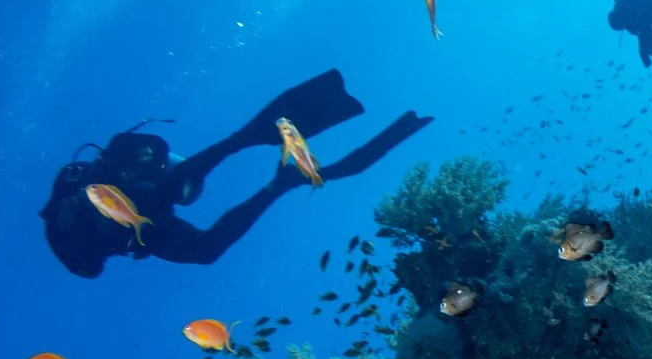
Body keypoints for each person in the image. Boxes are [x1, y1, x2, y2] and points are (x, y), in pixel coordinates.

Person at [41, 70, 428, 277]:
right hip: (154, 202)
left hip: (148, 207)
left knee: (207, 247)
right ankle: (253, 149)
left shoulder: (63, 232)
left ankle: (277, 184)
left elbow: (88, 270)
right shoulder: (71, 191)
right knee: (214, 162)